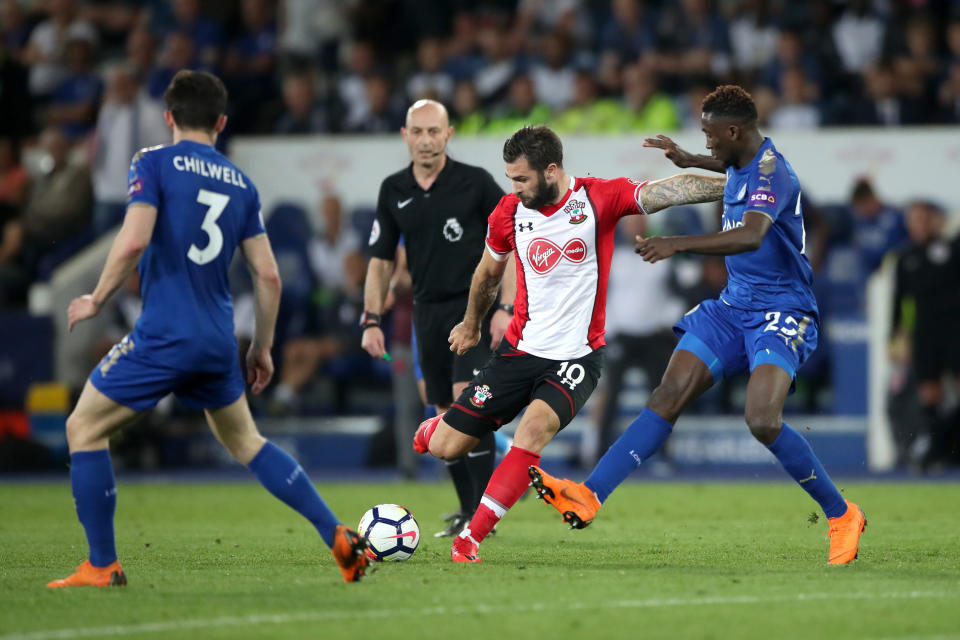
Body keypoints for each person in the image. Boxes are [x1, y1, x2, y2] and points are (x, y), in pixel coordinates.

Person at [46, 70, 368, 588]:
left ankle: (102, 565)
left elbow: (132, 241)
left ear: (169, 117)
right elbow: (268, 275)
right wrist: (261, 347)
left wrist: (96, 297)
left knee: (83, 429)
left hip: (165, 333)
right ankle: (335, 532)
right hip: (218, 339)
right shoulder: (240, 183)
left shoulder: (151, 162)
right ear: (221, 122)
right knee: (247, 442)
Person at [528, 85, 867, 565]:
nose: (707, 144)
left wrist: (677, 243)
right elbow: (731, 168)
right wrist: (686, 158)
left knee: (762, 420)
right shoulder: (742, 159)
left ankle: (842, 514)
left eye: (709, 135)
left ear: (734, 130)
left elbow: (751, 235)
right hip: (732, 307)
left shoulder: (774, 171)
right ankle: (590, 494)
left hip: (781, 310)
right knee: (668, 394)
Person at [411, 124, 728, 563]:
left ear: (551, 170)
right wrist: (470, 325)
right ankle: (434, 429)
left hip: (577, 357)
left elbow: (667, 191)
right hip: (518, 352)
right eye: (511, 179)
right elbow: (486, 274)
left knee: (532, 431)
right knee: (447, 446)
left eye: (522, 179)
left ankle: (472, 538)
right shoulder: (507, 213)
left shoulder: (598, 197)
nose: (515, 188)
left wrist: (736, 185)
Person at [361, 99, 515, 538]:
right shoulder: (393, 189)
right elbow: (380, 259)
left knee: (471, 403)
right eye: (418, 131)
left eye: (435, 131)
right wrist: (371, 317)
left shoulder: (476, 183)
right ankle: (470, 511)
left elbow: (513, 244)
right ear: (405, 136)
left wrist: (504, 308)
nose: (426, 140)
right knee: (445, 413)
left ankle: (485, 518)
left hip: (473, 310)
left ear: (448, 135)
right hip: (426, 313)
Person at [890, 200, 960, 470]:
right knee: (929, 395)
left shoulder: (952, 249)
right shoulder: (905, 258)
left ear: (933, 220)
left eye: (922, 219)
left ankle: (947, 448)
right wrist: (894, 336)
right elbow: (898, 302)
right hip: (924, 335)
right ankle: (937, 452)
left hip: (955, 331)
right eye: (912, 219)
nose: (917, 224)